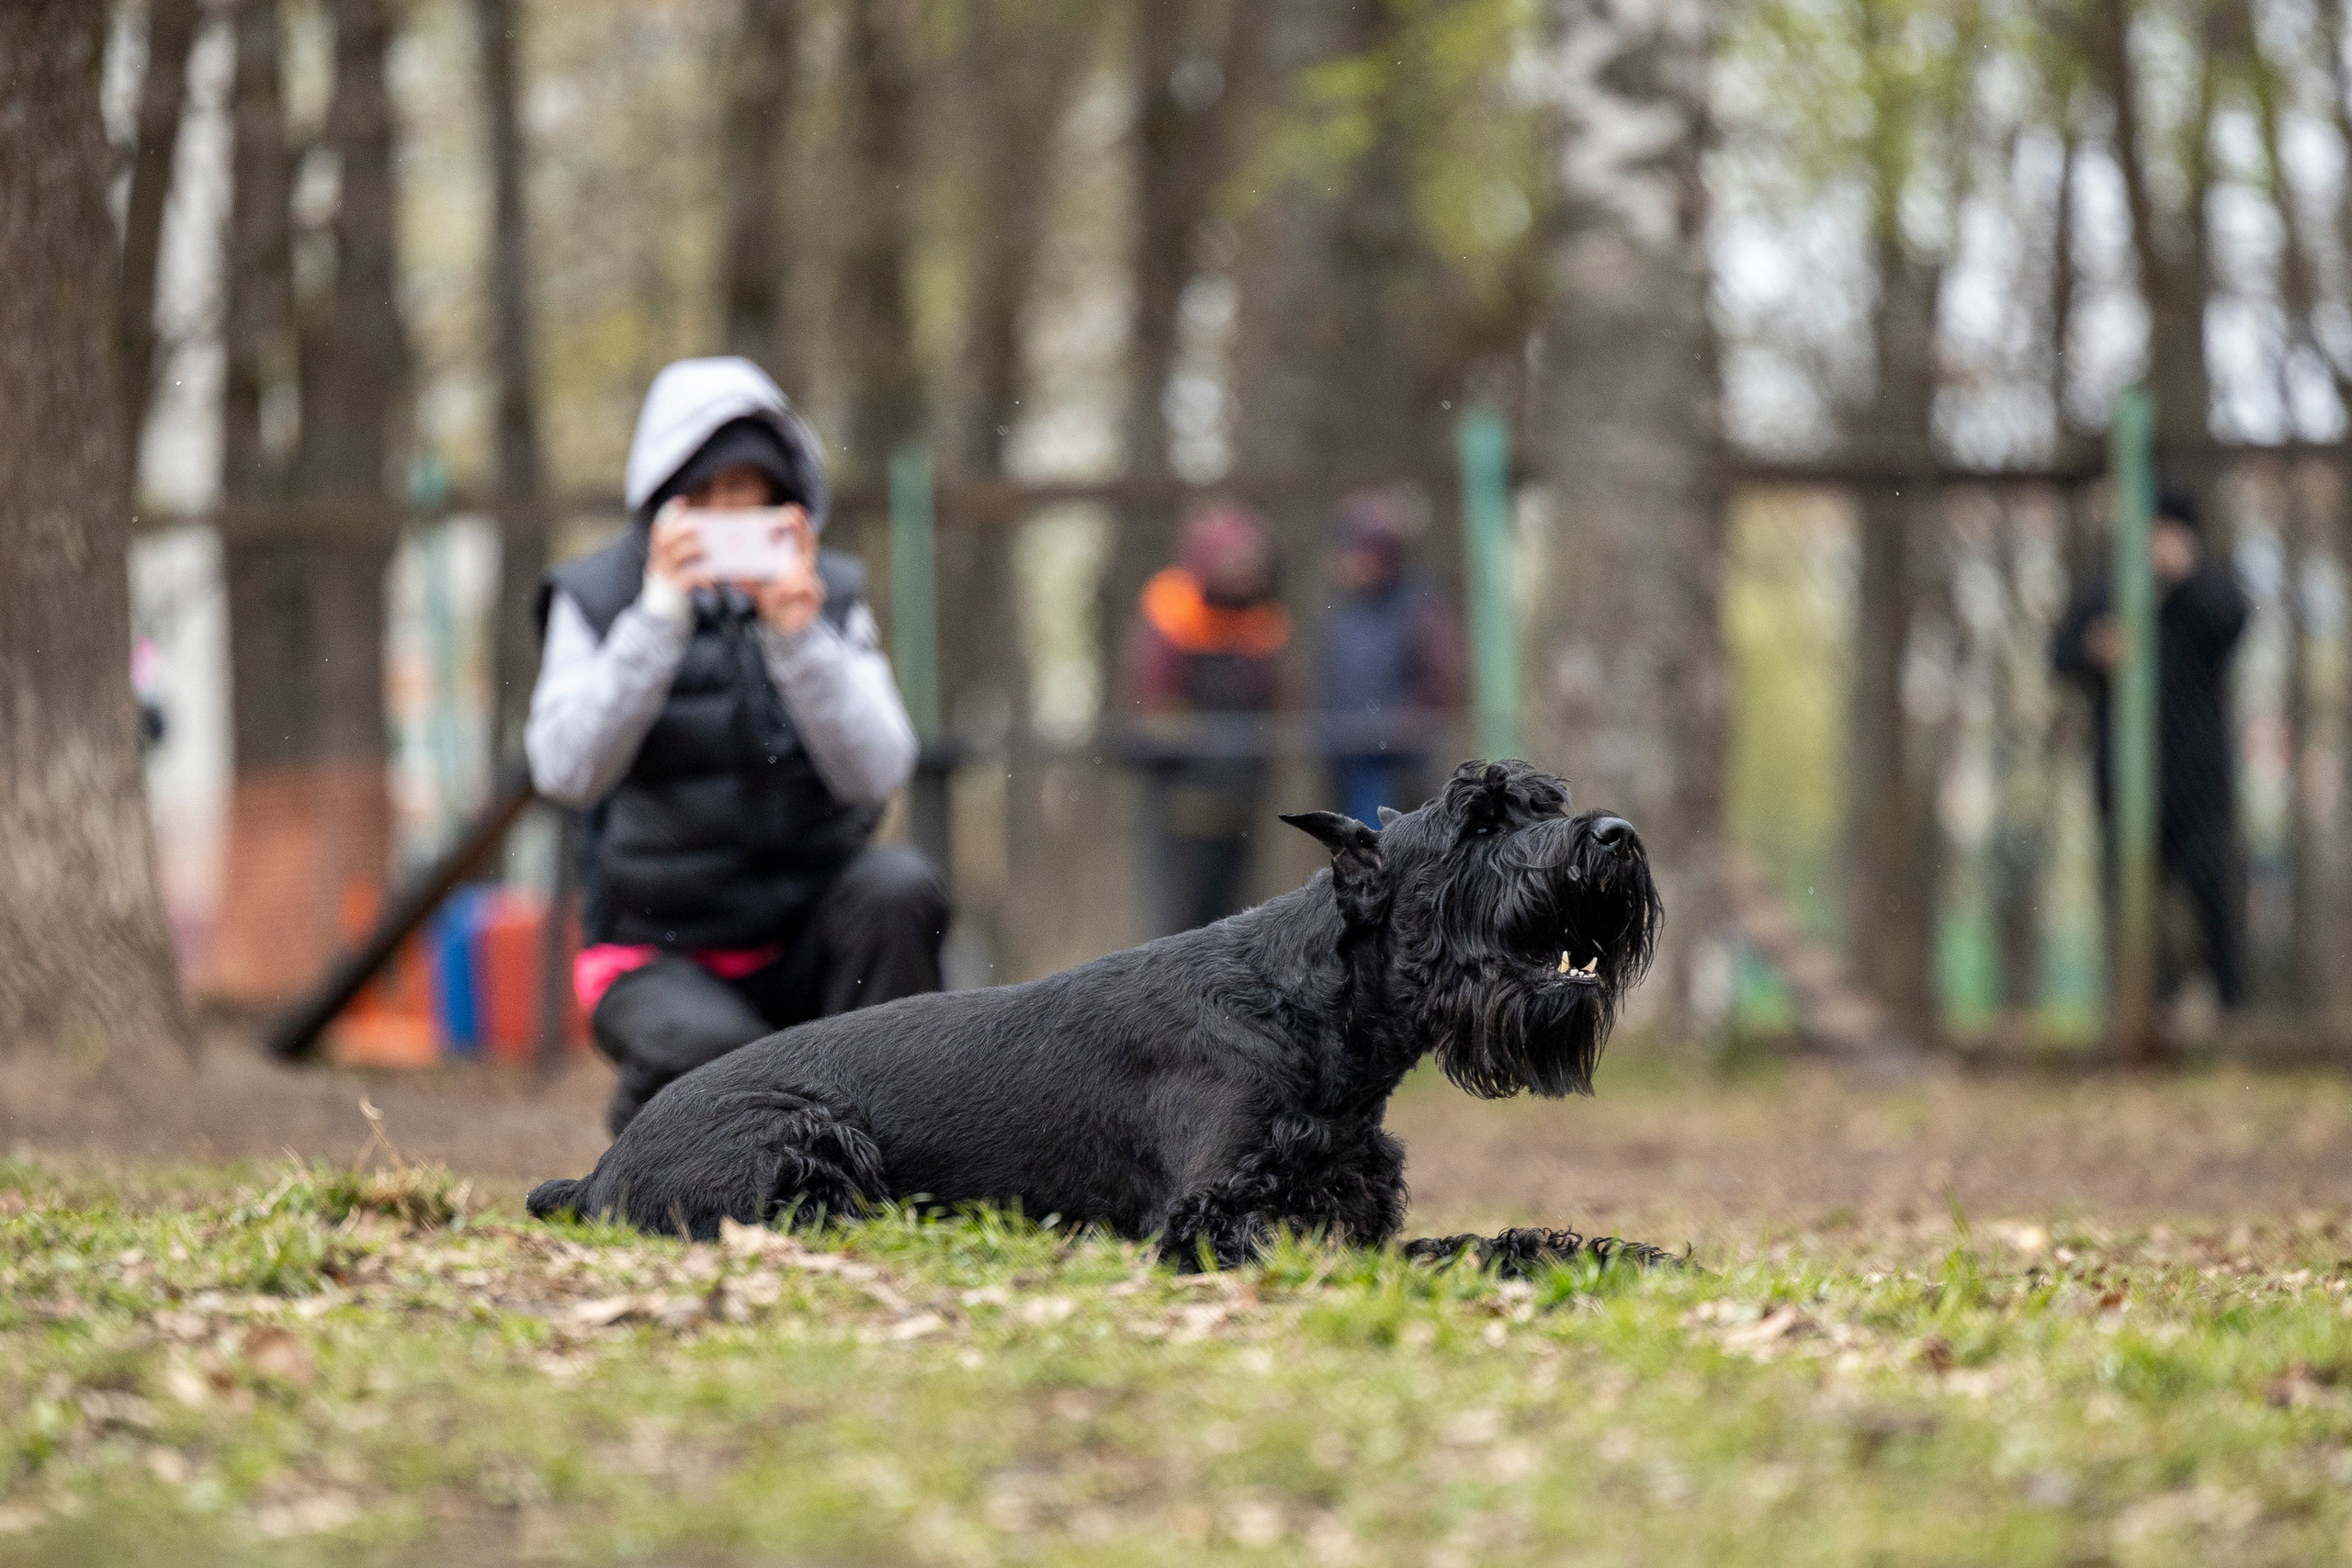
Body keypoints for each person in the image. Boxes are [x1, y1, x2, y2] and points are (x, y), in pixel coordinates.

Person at [527, 356, 947, 1134]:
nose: (727, 519)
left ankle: (900, 1148)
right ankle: (657, 1130)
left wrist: (801, 640)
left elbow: (881, 768)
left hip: (809, 935)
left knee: (899, 887)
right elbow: (565, 769)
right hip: (657, 953)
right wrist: (656, 622)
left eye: (746, 496)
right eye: (706, 498)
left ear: (786, 504)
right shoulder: (593, 599)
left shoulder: (829, 599)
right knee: (732, 1066)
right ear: (664, 502)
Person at [2051, 488, 2249, 1010]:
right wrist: (2096, 650)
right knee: (2135, 899)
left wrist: (2187, 576)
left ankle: (2231, 1006)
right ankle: (2152, 1005)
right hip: (2124, 775)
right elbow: (2061, 654)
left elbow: (2235, 622)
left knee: (2210, 888)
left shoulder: (2208, 589)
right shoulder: (2108, 588)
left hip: (2198, 777)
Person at [1121, 504, 1290, 936]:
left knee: (1236, 913)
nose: (1246, 571)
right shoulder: (1173, 610)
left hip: (1243, 790)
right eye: (1236, 561)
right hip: (1186, 795)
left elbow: (1275, 696)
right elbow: (1156, 704)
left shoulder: (1260, 618)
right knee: (1181, 917)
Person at [1314, 491, 1464, 826]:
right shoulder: (1343, 611)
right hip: (1348, 757)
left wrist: (1394, 726)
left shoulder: (1420, 603)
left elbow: (1439, 679)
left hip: (1400, 762)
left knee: (1388, 840)